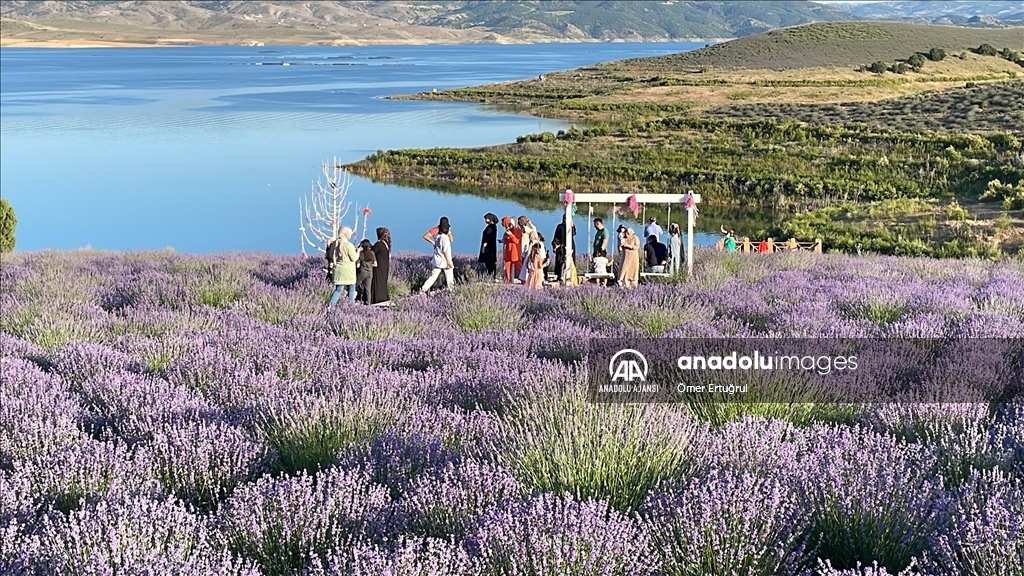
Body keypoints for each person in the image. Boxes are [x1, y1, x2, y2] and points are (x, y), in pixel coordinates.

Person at [327, 226, 358, 308]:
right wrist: (357, 252)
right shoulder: (348, 245)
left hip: (338, 271)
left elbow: (330, 255)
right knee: (351, 289)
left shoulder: (334, 244)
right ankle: (350, 306)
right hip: (349, 272)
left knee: (338, 290)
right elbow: (354, 258)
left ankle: (331, 306)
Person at [421, 221, 454, 292]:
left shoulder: (437, 236)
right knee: (449, 277)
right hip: (444, 260)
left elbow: (451, 239)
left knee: (433, 276)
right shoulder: (444, 238)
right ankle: (451, 290)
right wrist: (449, 262)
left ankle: (424, 288)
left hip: (437, 259)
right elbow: (445, 250)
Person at [371, 227, 391, 304]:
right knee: (382, 282)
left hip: (378, 267)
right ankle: (383, 298)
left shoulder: (379, 244)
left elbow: (372, 252)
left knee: (377, 282)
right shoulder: (386, 244)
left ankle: (376, 299)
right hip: (384, 267)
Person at [499, 216, 522, 283]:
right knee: (507, 267)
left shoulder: (518, 230)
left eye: (509, 225)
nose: (508, 227)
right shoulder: (508, 230)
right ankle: (507, 281)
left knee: (518, 267)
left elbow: (517, 241)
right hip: (508, 251)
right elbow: (506, 241)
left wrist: (511, 235)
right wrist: (504, 239)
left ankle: (524, 280)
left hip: (515, 252)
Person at [518, 216, 539, 284]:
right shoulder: (520, 228)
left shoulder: (527, 229)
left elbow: (533, 233)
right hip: (524, 246)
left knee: (526, 263)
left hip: (527, 247)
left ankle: (524, 277)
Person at [355, 239, 376, 304]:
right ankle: (368, 302)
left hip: (362, 273)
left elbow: (358, 265)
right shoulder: (372, 253)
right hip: (369, 273)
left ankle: (352, 299)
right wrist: (369, 265)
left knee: (355, 285)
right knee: (368, 289)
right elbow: (375, 264)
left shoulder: (361, 254)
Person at [478, 213, 498, 278]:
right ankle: (492, 275)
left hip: (488, 248)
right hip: (491, 247)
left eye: (486, 219)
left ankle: (491, 275)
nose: (485, 220)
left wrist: (484, 246)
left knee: (489, 262)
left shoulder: (490, 228)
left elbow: (488, 238)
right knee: (491, 262)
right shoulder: (493, 227)